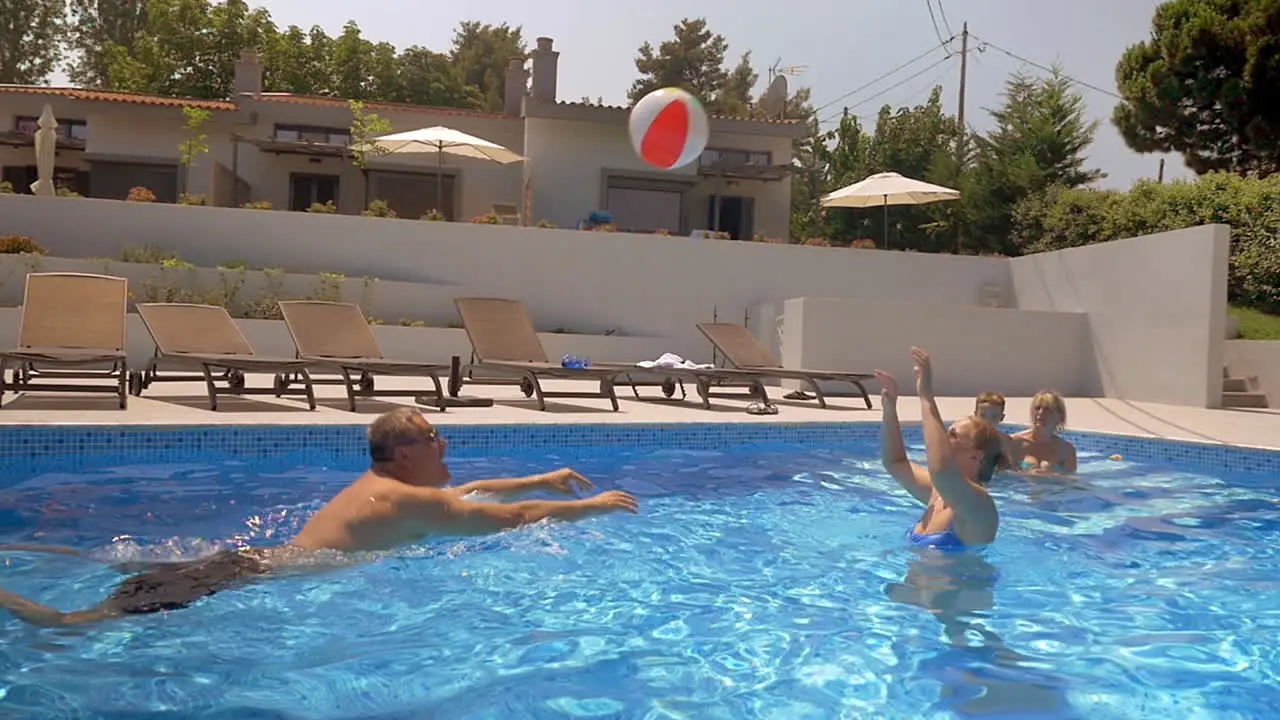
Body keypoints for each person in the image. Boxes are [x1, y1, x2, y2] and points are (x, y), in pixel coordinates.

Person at [0, 408, 639, 627]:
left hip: (247, 562)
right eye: (435, 438)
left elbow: (476, 491)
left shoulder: (390, 485)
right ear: (405, 454)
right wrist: (588, 506)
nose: (446, 446)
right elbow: (512, 517)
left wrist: (540, 476)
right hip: (239, 577)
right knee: (73, 624)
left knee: (103, 561)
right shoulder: (409, 498)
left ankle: (34, 555)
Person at [875, 347, 1004, 550]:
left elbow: (941, 470)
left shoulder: (979, 506)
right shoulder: (938, 493)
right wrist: (890, 407)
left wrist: (926, 397)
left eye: (952, 435)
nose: (942, 437)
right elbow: (895, 462)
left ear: (975, 455)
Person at [1009, 390, 1077, 474]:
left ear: (1059, 416)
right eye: (1037, 408)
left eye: (1047, 409)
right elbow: (1003, 474)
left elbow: (1070, 481)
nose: (1040, 413)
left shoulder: (1067, 450)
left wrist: (1050, 476)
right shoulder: (1015, 442)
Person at [973, 391, 1019, 472]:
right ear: (975, 415)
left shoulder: (1005, 441)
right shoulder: (967, 437)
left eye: (994, 416)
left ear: (1002, 417)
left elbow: (1013, 468)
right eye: (983, 415)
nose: (987, 420)